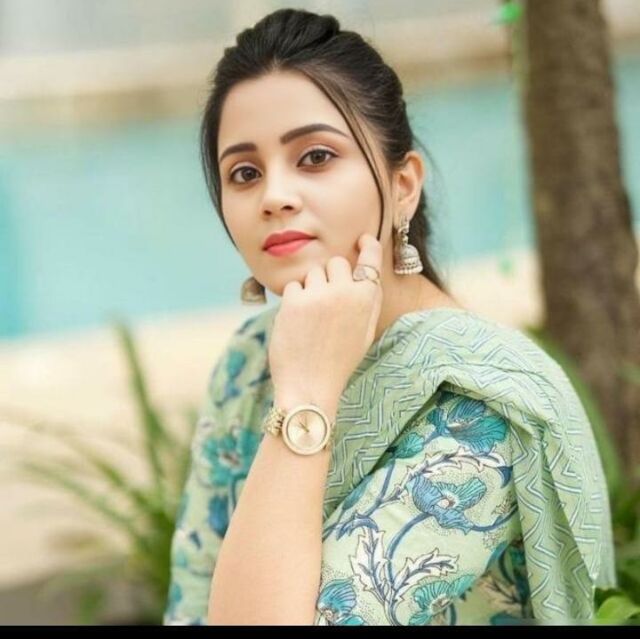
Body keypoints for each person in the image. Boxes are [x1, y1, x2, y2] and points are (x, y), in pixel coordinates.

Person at [164, 8, 615, 626]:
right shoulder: (250, 361)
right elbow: (190, 605)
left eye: (315, 157)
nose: (275, 196)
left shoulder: (478, 408)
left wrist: (308, 396)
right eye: (244, 173)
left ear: (403, 187)